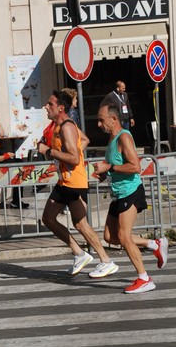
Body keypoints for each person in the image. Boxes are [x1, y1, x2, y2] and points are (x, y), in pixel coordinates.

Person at [37, 90, 118, 278]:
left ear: (61, 108)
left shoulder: (66, 127)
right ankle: (80, 253)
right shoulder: (60, 125)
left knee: (81, 224)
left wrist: (50, 151)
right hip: (64, 181)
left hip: (74, 182)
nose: (46, 107)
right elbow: (84, 140)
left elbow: (73, 158)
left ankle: (106, 261)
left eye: (50, 104)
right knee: (48, 218)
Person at [94, 104, 168, 294]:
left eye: (102, 120)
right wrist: (103, 174)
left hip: (130, 191)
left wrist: (109, 168)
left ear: (113, 119)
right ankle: (154, 244)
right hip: (118, 193)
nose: (98, 124)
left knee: (125, 237)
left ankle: (144, 278)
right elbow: (116, 165)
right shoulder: (112, 139)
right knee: (110, 237)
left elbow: (135, 167)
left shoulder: (124, 137)